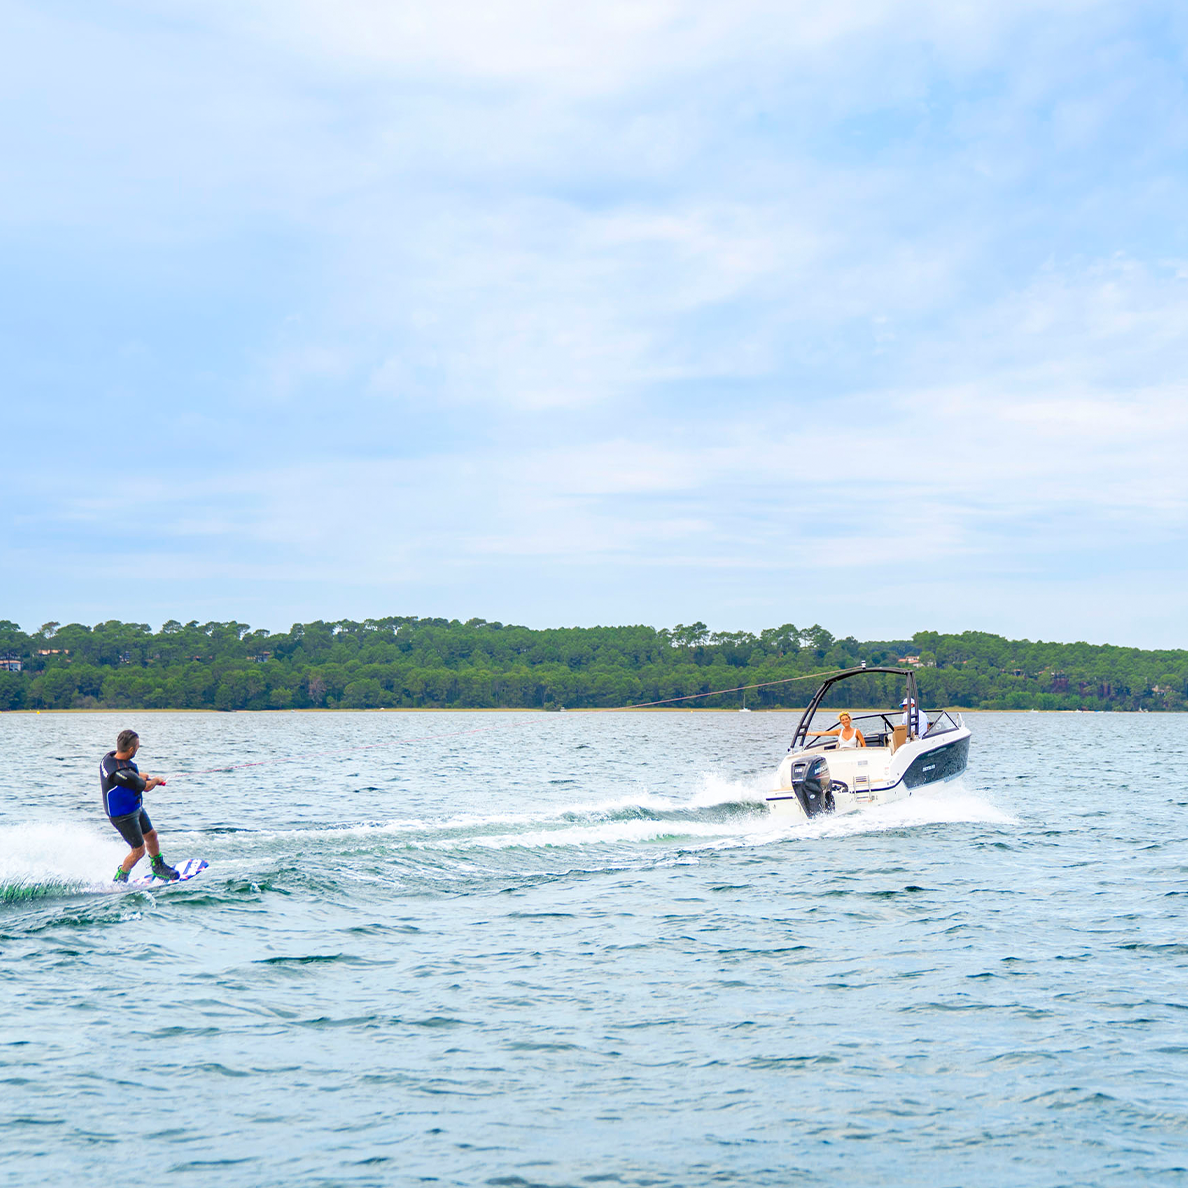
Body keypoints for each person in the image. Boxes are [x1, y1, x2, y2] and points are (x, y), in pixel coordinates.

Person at [101, 729, 179, 882]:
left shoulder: (109, 758)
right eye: (137, 746)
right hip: (122, 815)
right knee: (138, 851)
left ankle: (158, 867)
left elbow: (133, 774)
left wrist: (146, 776)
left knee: (151, 835)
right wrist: (156, 780)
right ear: (131, 749)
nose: (138, 748)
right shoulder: (120, 775)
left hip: (134, 807)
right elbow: (146, 786)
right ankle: (120, 878)